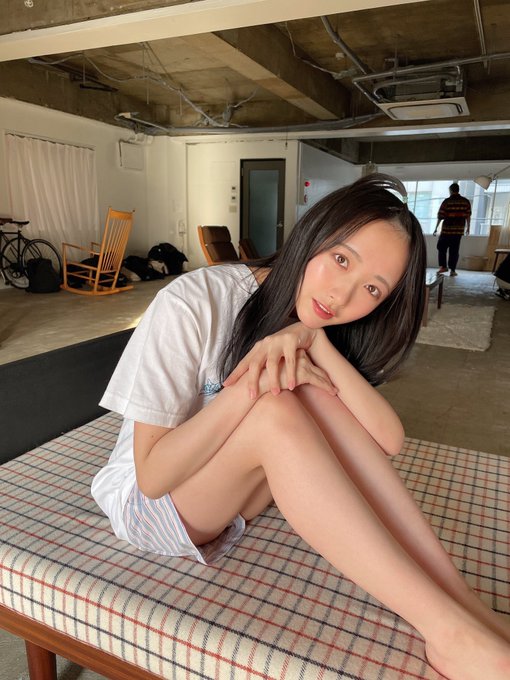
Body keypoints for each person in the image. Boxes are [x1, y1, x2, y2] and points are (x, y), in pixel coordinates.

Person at [92, 174, 510, 680]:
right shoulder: (196, 300)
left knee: (303, 387)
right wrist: (251, 385)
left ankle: (466, 606)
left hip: (233, 499)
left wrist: (313, 340)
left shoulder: (316, 325)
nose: (342, 295)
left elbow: (388, 440)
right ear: (315, 233)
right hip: (148, 506)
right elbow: (153, 477)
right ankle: (446, 632)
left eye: (372, 289)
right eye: (342, 259)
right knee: (278, 403)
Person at [433, 182, 471, 277]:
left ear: (450, 190)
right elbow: (468, 216)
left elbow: (440, 215)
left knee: (441, 247)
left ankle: (443, 267)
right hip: (458, 231)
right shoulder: (465, 202)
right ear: (458, 190)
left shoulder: (447, 202)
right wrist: (468, 227)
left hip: (446, 230)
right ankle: (452, 270)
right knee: (454, 251)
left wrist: (436, 228)